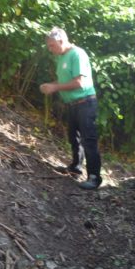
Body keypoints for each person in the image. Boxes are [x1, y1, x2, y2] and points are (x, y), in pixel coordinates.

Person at [39, 27, 102, 190]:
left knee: (89, 139)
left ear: (61, 41)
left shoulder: (77, 54)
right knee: (74, 137)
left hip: (85, 102)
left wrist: (55, 88)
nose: (50, 49)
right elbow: (62, 80)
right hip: (73, 105)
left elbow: (78, 83)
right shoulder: (61, 57)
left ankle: (94, 177)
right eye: (49, 46)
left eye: (52, 45)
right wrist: (50, 85)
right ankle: (76, 168)